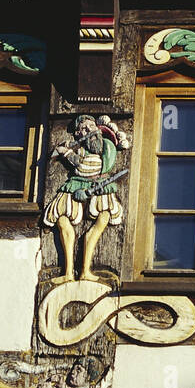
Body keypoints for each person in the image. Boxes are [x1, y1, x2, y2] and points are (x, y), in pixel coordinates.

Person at [43, 115, 130, 284]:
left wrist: (67, 153)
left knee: (104, 216)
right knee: (61, 217)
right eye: (84, 128)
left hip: (100, 184)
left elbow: (88, 167)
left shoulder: (107, 146)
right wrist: (62, 149)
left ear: (97, 128)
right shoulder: (79, 148)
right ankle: (68, 271)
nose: (89, 130)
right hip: (75, 183)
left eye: (91, 126)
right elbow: (57, 157)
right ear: (77, 134)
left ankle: (85, 271)